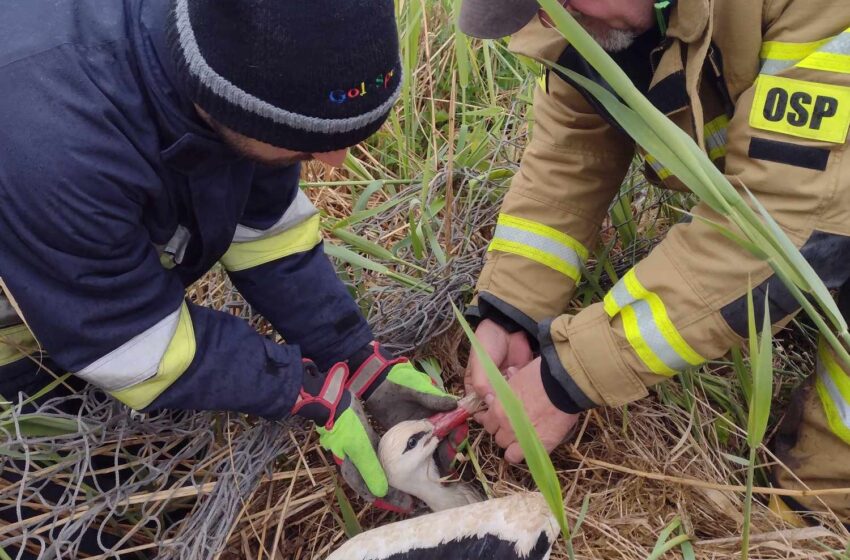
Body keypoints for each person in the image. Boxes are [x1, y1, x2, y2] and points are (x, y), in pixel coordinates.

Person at [0, 0, 461, 541]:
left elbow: (267, 234)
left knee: (155, 468)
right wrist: (306, 389)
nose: (334, 163)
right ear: (222, 100)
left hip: (86, 281)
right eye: (310, 139)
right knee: (76, 507)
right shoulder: (58, 144)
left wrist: (352, 356)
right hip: (20, 327)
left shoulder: (234, 70)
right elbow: (129, 342)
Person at [460, 0, 850, 524]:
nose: (553, 19)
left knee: (818, 497)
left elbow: (785, 233)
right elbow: (572, 155)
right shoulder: (594, 20)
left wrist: (568, 377)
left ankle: (822, 511)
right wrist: (511, 311)